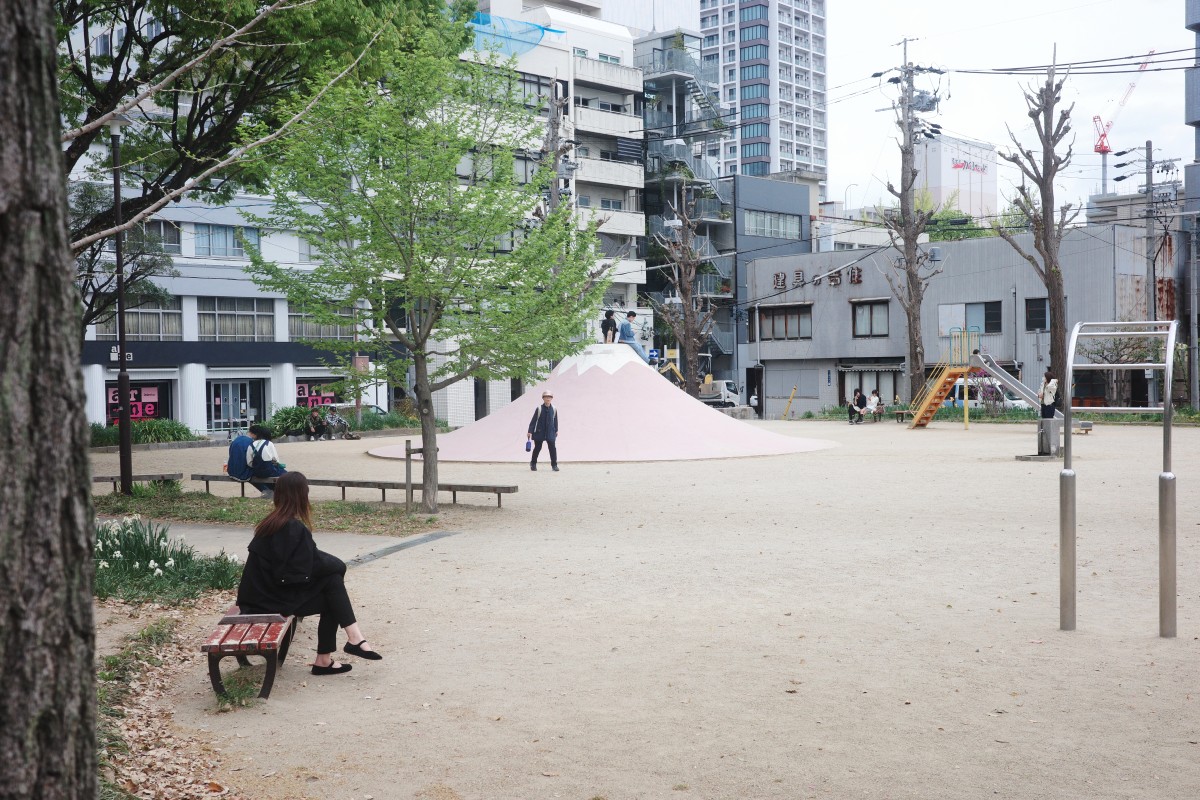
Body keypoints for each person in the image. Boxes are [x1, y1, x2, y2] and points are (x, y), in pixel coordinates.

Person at [235, 472, 382, 676]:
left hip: (260, 598)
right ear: (301, 495)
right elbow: (306, 569)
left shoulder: (273, 522)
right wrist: (338, 566)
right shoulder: (291, 528)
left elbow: (309, 559)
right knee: (333, 589)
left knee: (333, 588)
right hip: (267, 602)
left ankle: (340, 650)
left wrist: (333, 567)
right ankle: (342, 648)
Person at [247, 424, 287, 499]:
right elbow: (276, 460)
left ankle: (270, 491)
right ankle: (279, 492)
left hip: (257, 472)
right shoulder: (269, 443)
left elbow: (249, 462)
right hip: (269, 471)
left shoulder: (250, 445)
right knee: (286, 475)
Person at [527, 390, 559, 472]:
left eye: (549, 397)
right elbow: (534, 420)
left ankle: (554, 465)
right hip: (539, 431)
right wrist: (530, 431)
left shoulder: (554, 409)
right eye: (546, 397)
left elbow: (555, 420)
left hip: (550, 432)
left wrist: (556, 430)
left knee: (552, 448)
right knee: (537, 448)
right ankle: (533, 463)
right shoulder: (539, 408)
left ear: (551, 398)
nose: (548, 398)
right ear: (543, 398)